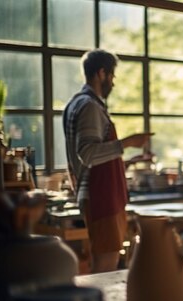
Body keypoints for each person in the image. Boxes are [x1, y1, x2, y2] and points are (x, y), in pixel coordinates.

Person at [63, 49, 152, 273]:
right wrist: (128, 142)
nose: (113, 82)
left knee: (105, 260)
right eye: (112, 76)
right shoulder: (90, 106)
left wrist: (127, 162)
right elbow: (89, 153)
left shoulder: (76, 104)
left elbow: (92, 157)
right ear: (101, 73)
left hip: (99, 194)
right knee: (106, 265)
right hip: (101, 195)